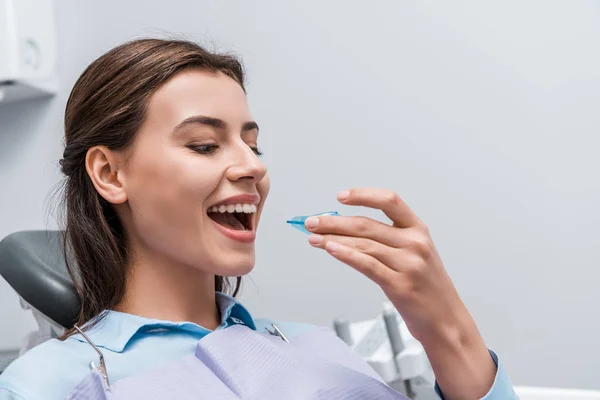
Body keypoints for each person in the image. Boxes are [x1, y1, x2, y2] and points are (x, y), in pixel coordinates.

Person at [0, 38, 516, 399]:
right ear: (110, 173)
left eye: (252, 143)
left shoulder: (316, 347)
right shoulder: (48, 384)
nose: (252, 166)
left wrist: (447, 329)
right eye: (204, 145)